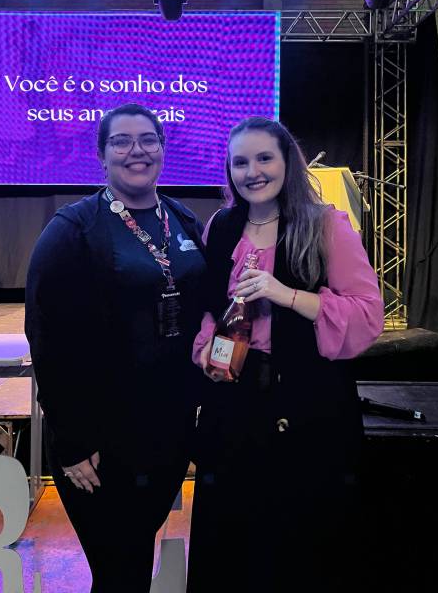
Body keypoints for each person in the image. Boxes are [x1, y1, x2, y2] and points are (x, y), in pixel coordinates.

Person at [186, 117, 384, 593]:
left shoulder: (326, 225)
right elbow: (210, 308)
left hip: (308, 408)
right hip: (234, 408)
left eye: (264, 158)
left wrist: (287, 294)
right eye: (240, 162)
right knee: (234, 541)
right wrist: (209, 348)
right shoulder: (222, 226)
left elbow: (366, 315)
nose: (252, 172)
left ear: (287, 162)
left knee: (299, 541)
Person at [25, 103, 206, 593]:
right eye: (121, 141)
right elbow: (47, 339)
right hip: (101, 442)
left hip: (166, 433)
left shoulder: (181, 219)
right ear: (102, 155)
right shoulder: (73, 229)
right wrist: (72, 442)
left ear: (162, 149)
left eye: (148, 140)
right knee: (119, 569)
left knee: (133, 561)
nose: (136, 151)